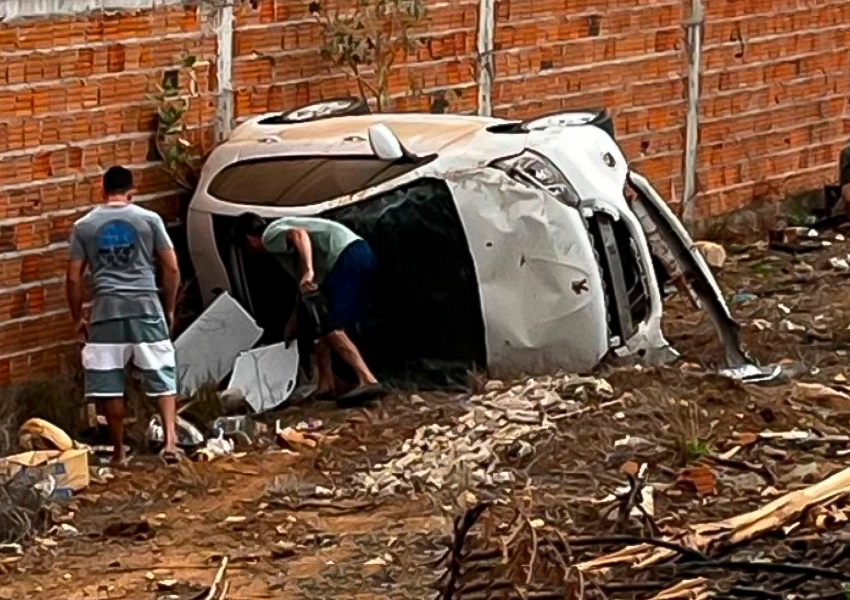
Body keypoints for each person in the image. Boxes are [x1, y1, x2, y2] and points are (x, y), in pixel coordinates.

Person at [65, 166, 182, 466]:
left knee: (109, 383)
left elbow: (74, 278)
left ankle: (119, 452)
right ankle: (170, 443)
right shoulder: (149, 220)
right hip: (146, 307)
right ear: (131, 192)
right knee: (161, 373)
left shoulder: (84, 226)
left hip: (105, 311)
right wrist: (169, 308)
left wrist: (78, 317)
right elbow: (171, 268)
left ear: (102, 191)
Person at [233, 213, 382, 403]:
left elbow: (299, 235)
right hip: (358, 253)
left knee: (331, 326)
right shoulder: (283, 246)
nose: (252, 252)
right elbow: (304, 292)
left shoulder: (269, 236)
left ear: (249, 239)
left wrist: (309, 272)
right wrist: (293, 322)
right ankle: (327, 384)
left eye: (247, 247)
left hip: (346, 254)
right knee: (319, 323)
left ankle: (367, 379)